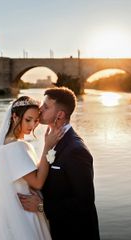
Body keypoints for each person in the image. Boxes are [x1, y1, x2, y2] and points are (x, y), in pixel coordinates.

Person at [18, 87, 100, 240]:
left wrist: (42, 206)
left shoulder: (76, 150)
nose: (40, 109)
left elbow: (85, 202)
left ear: (60, 115)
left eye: (46, 107)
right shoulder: (52, 140)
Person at [0, 96, 63, 240]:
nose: (32, 125)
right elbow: (37, 183)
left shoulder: (3, 143)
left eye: (36, 121)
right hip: (25, 216)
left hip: (12, 215)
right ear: (15, 117)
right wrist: (47, 146)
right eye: (28, 120)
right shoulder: (16, 147)